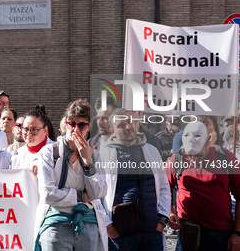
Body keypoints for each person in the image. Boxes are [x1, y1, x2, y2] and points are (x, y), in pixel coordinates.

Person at [35, 98, 107, 251]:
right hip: (56, 224)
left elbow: (99, 192)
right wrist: (80, 196)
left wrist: (88, 162)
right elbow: (48, 194)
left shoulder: (95, 156)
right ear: (65, 124)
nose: (75, 129)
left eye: (81, 125)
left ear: (88, 127)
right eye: (72, 124)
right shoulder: (49, 152)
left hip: (87, 224)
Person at [101, 108, 171, 251]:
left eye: (131, 121)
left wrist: (162, 220)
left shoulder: (151, 151)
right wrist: (108, 225)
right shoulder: (103, 155)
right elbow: (96, 195)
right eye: (121, 125)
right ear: (112, 129)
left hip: (152, 232)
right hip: (121, 234)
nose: (128, 127)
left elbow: (163, 186)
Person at [166, 122, 240, 251]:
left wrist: (237, 232)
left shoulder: (226, 157)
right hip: (189, 232)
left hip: (221, 233)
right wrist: (170, 213)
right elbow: (163, 189)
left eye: (198, 155)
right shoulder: (177, 159)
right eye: (190, 155)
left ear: (207, 141)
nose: (193, 159)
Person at [10, 108, 54, 175]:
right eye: (26, 129)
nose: (29, 133)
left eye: (34, 129)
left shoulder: (57, 151)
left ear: (45, 130)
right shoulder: (17, 155)